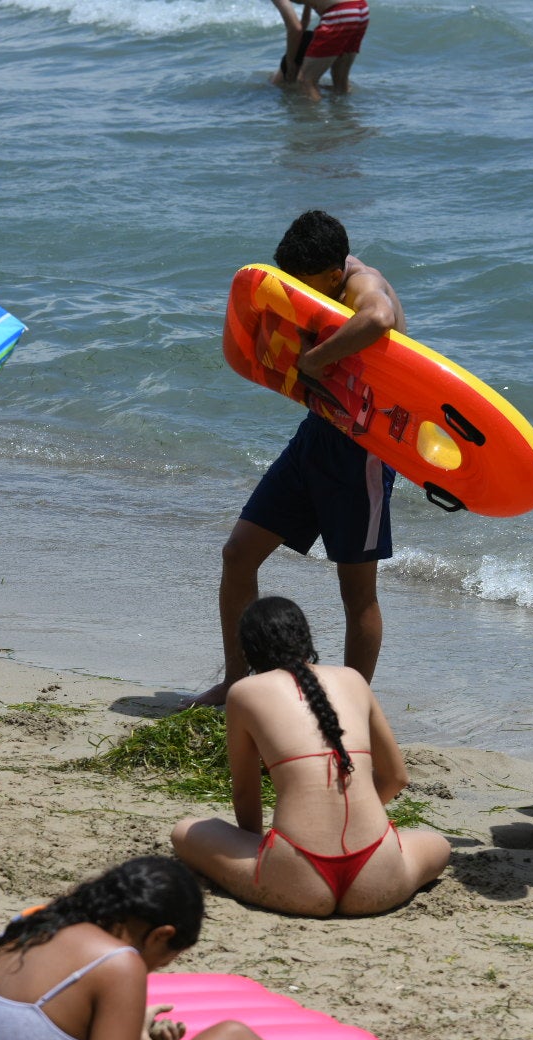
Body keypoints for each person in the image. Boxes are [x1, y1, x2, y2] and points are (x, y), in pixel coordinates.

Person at [191, 211, 404, 708]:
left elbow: (379, 318)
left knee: (356, 591)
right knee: (237, 554)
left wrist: (313, 360)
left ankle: (351, 706)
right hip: (318, 435)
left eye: (304, 285)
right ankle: (236, 682)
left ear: (333, 275)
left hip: (363, 452)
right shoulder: (324, 272)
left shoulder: (362, 284)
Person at [172, 597, 448, 916]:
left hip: (297, 880)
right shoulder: (353, 679)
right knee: (437, 844)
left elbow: (246, 793)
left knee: (186, 831)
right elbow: (396, 778)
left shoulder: (244, 693)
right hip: (378, 876)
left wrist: (256, 850)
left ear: (247, 650)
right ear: (306, 639)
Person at [0, 856, 304, 1040]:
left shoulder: (31, 926)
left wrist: (130, 1036)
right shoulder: (118, 965)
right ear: (161, 935)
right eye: (167, 958)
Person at [267, 1, 367, 102]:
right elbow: (304, 21)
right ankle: (344, 115)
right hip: (360, 8)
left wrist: (290, 62)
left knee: (306, 82)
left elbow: (295, 29)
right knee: (340, 81)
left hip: (341, 12)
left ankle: (315, 117)